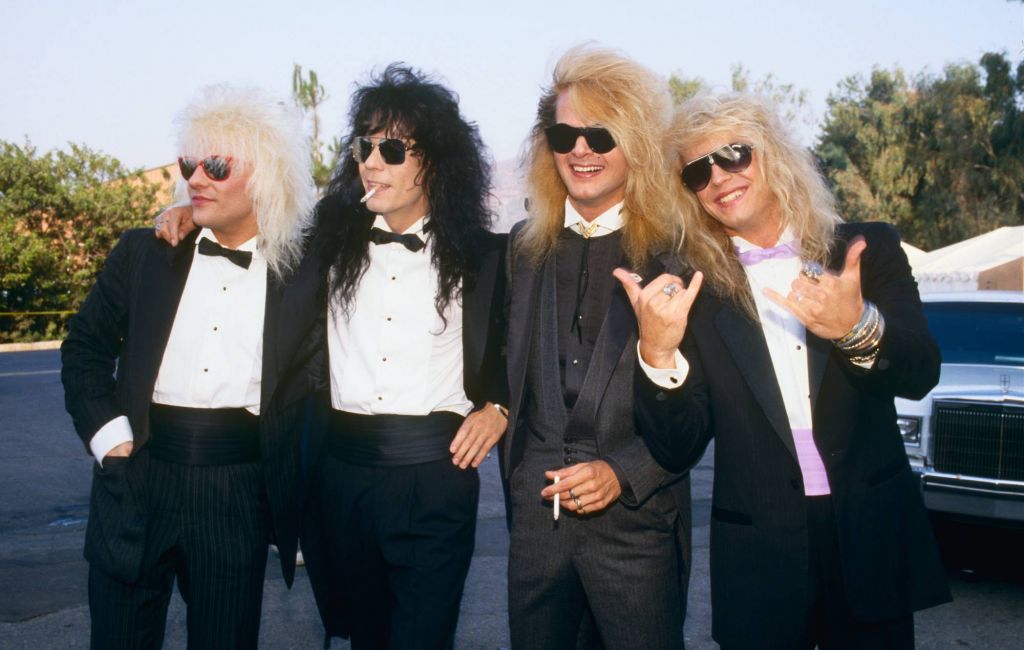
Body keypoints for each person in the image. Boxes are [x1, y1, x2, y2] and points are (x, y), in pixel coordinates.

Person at [631, 92, 951, 649]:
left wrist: (857, 326)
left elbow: (920, 370)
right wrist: (657, 356)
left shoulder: (865, 249)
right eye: (697, 171)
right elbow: (677, 446)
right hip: (759, 553)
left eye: (734, 154)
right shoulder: (692, 287)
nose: (719, 177)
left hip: (869, 534)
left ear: (773, 154)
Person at [61, 85, 319, 648]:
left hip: (236, 494)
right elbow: (83, 347)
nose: (196, 178)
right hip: (136, 478)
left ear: (267, 177)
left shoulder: (307, 273)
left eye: (218, 165)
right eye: (190, 164)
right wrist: (110, 439)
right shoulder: (144, 253)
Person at [299, 64, 508, 650]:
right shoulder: (328, 243)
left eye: (392, 149)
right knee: (365, 637)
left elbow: (529, 343)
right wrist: (186, 218)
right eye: (365, 147)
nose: (372, 162)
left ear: (434, 162)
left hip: (435, 479)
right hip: (342, 476)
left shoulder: (486, 259)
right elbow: (249, 239)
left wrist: (501, 407)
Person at [502, 45, 699, 650]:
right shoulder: (520, 249)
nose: (580, 150)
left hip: (636, 526)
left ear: (635, 143)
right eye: (564, 134)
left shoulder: (681, 255)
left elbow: (702, 408)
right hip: (535, 523)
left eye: (600, 134)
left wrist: (624, 472)